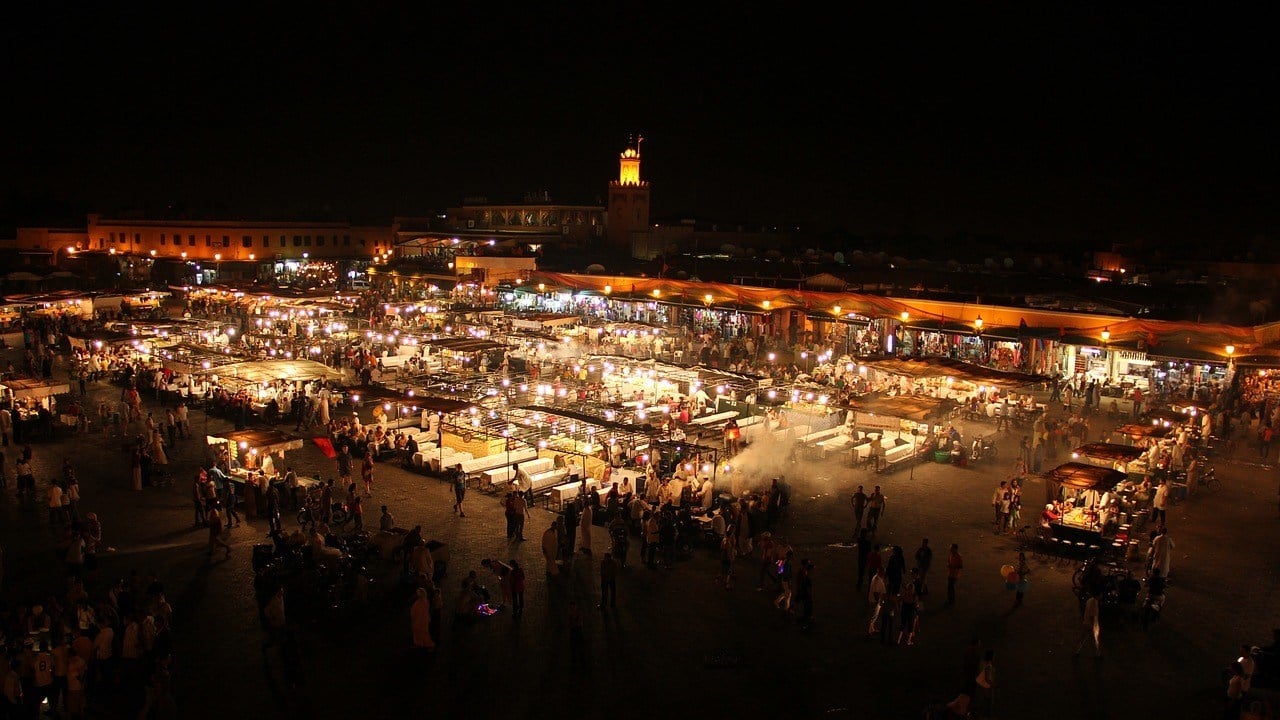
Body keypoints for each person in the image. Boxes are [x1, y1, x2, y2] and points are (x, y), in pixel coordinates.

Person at [410, 588, 434, 652]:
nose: (417, 594)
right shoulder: (421, 601)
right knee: (418, 632)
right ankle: (419, 643)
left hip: (421, 620)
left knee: (424, 632)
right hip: (419, 620)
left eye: (418, 593)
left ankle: (429, 645)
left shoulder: (423, 602)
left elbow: (421, 612)